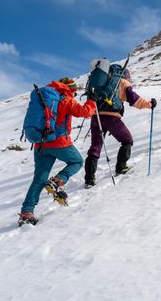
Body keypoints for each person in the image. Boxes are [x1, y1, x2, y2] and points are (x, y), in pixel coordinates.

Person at [19, 77, 96, 225]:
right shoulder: (65, 99)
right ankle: (57, 180)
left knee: (39, 179)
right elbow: (85, 112)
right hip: (59, 143)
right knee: (77, 161)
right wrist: (91, 100)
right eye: (73, 91)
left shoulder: (44, 98)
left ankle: (26, 212)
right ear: (70, 89)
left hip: (41, 144)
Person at [84, 68, 155, 187]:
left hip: (96, 116)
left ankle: (89, 179)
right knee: (127, 140)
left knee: (95, 146)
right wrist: (150, 104)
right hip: (112, 117)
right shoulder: (122, 83)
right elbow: (134, 100)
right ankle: (121, 167)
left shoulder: (102, 82)